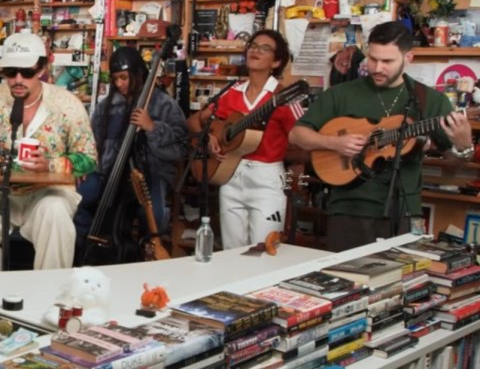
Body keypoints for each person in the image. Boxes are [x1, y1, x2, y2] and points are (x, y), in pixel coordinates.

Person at [290, 22, 472, 251]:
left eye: (387, 61)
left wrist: (464, 146)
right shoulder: (342, 94)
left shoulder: (430, 100)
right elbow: (296, 134)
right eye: (373, 59)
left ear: (408, 58)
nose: (377, 68)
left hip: (404, 211)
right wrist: (334, 143)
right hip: (349, 210)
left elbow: (454, 163)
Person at [0, 32, 97, 271]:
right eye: (11, 72)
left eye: (27, 72)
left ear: (42, 69)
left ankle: (48, 290)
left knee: (56, 215)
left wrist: (50, 164)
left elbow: (88, 158)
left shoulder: (67, 104)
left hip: (48, 192)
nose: (18, 80)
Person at [187, 30, 297, 249]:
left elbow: (301, 136)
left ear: (276, 62)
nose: (256, 51)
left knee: (264, 250)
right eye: (253, 46)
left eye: (265, 48)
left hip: (267, 180)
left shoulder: (283, 96)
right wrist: (207, 137)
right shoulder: (232, 92)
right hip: (231, 175)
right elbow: (193, 121)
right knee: (231, 251)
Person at [75, 47, 187, 254]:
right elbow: (91, 142)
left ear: (138, 73)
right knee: (75, 199)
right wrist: (84, 165)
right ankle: (86, 250)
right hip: (107, 173)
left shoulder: (164, 104)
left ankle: (146, 253)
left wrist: (152, 128)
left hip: (149, 175)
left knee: (154, 215)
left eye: (124, 78)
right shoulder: (105, 107)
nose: (119, 84)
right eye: (115, 79)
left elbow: (180, 147)